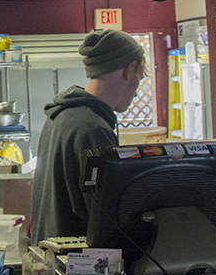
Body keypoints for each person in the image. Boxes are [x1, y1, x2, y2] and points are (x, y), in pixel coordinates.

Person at [29, 29, 146, 243]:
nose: (137, 89)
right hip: (78, 263)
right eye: (140, 76)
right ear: (130, 69)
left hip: (51, 258)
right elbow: (105, 216)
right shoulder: (93, 129)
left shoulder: (62, 115)